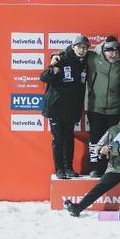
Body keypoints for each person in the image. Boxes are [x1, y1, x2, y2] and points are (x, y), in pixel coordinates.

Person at [63, 102, 120, 216]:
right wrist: (101, 150)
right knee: (99, 187)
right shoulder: (113, 130)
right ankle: (78, 208)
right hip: (115, 169)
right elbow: (97, 147)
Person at [40, 34, 89, 179]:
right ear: (73, 47)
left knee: (69, 138)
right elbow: (44, 77)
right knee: (58, 139)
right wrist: (52, 69)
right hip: (56, 107)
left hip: (71, 108)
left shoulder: (84, 62)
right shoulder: (61, 58)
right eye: (79, 47)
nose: (82, 50)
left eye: (85, 47)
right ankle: (59, 169)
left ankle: (68, 167)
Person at [85, 36, 120, 177]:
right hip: (95, 107)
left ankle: (110, 167)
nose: (113, 55)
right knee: (95, 138)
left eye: (116, 52)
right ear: (104, 50)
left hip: (114, 108)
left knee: (112, 139)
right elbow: (75, 52)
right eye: (110, 51)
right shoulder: (93, 58)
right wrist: (57, 55)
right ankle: (95, 168)